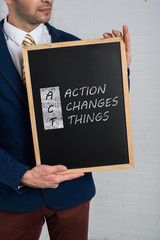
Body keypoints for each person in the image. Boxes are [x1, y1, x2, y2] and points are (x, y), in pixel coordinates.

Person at [0, 0, 131, 239]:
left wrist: (117, 71)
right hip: (11, 194)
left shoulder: (74, 45)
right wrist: (21, 174)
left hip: (72, 190)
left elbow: (102, 110)